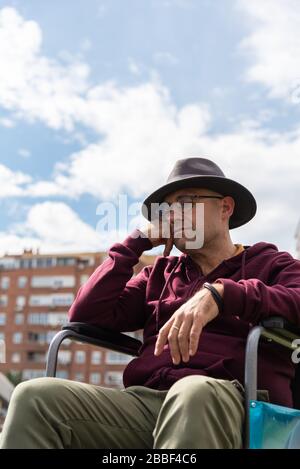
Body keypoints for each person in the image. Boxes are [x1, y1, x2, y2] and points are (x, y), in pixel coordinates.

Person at [1, 157, 300, 449]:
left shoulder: (271, 264)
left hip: (234, 402)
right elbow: (86, 315)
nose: (174, 215)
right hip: (148, 402)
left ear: (225, 207)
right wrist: (136, 242)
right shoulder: (158, 275)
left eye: (186, 201)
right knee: (34, 397)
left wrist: (222, 295)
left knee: (192, 392)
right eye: (167, 208)